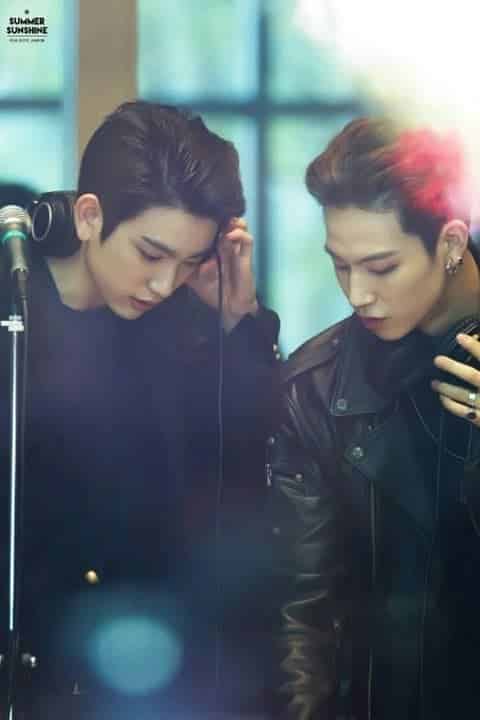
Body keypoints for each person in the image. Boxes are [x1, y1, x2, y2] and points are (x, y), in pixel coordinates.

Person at [0, 101, 279, 719]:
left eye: (188, 261)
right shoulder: (14, 306)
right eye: (150, 253)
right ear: (89, 215)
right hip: (31, 657)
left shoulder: (187, 323)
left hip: (151, 663)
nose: (163, 283)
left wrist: (240, 323)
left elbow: (244, 482)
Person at [268, 117, 480, 720]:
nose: (357, 293)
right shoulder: (314, 388)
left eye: (381, 267)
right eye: (341, 265)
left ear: (451, 244)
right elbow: (300, 614)